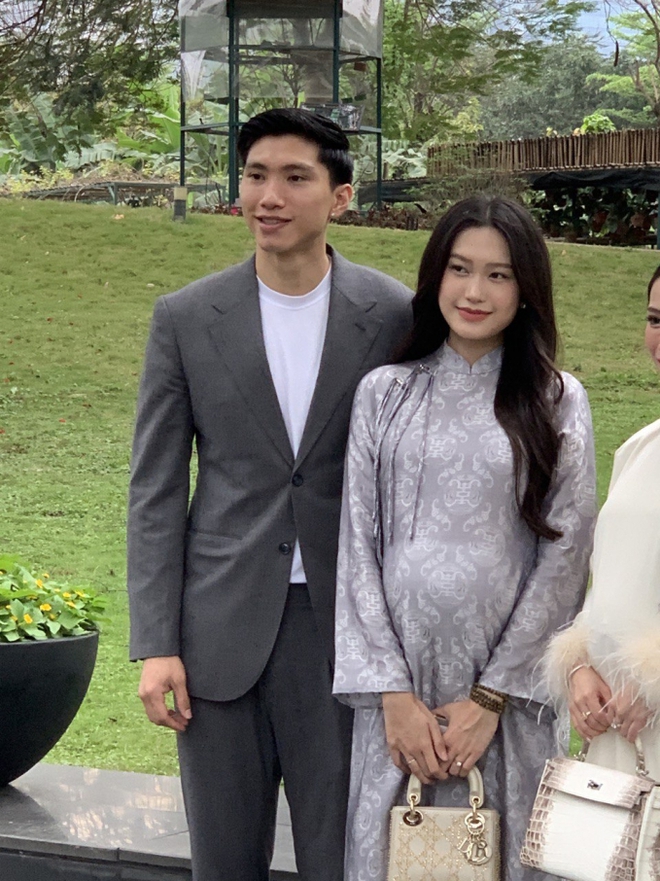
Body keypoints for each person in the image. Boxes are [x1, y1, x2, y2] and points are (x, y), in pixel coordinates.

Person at [126, 108, 412, 881]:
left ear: (340, 196)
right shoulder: (186, 318)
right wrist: (157, 642)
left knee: (342, 861)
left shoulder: (394, 314)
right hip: (217, 635)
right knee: (223, 863)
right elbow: (155, 489)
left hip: (346, 638)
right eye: (255, 175)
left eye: (294, 177)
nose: (269, 196)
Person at [332, 195, 597, 881]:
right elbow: (358, 547)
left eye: (498, 275)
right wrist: (392, 695)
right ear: (435, 276)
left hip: (508, 698)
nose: (475, 291)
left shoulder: (556, 400)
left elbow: (567, 554)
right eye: (460, 268)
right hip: (401, 696)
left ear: (526, 289)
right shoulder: (385, 393)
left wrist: (490, 700)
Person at [546, 264, 660, 778]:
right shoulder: (639, 448)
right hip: (618, 734)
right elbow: (609, 583)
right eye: (656, 320)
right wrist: (579, 666)